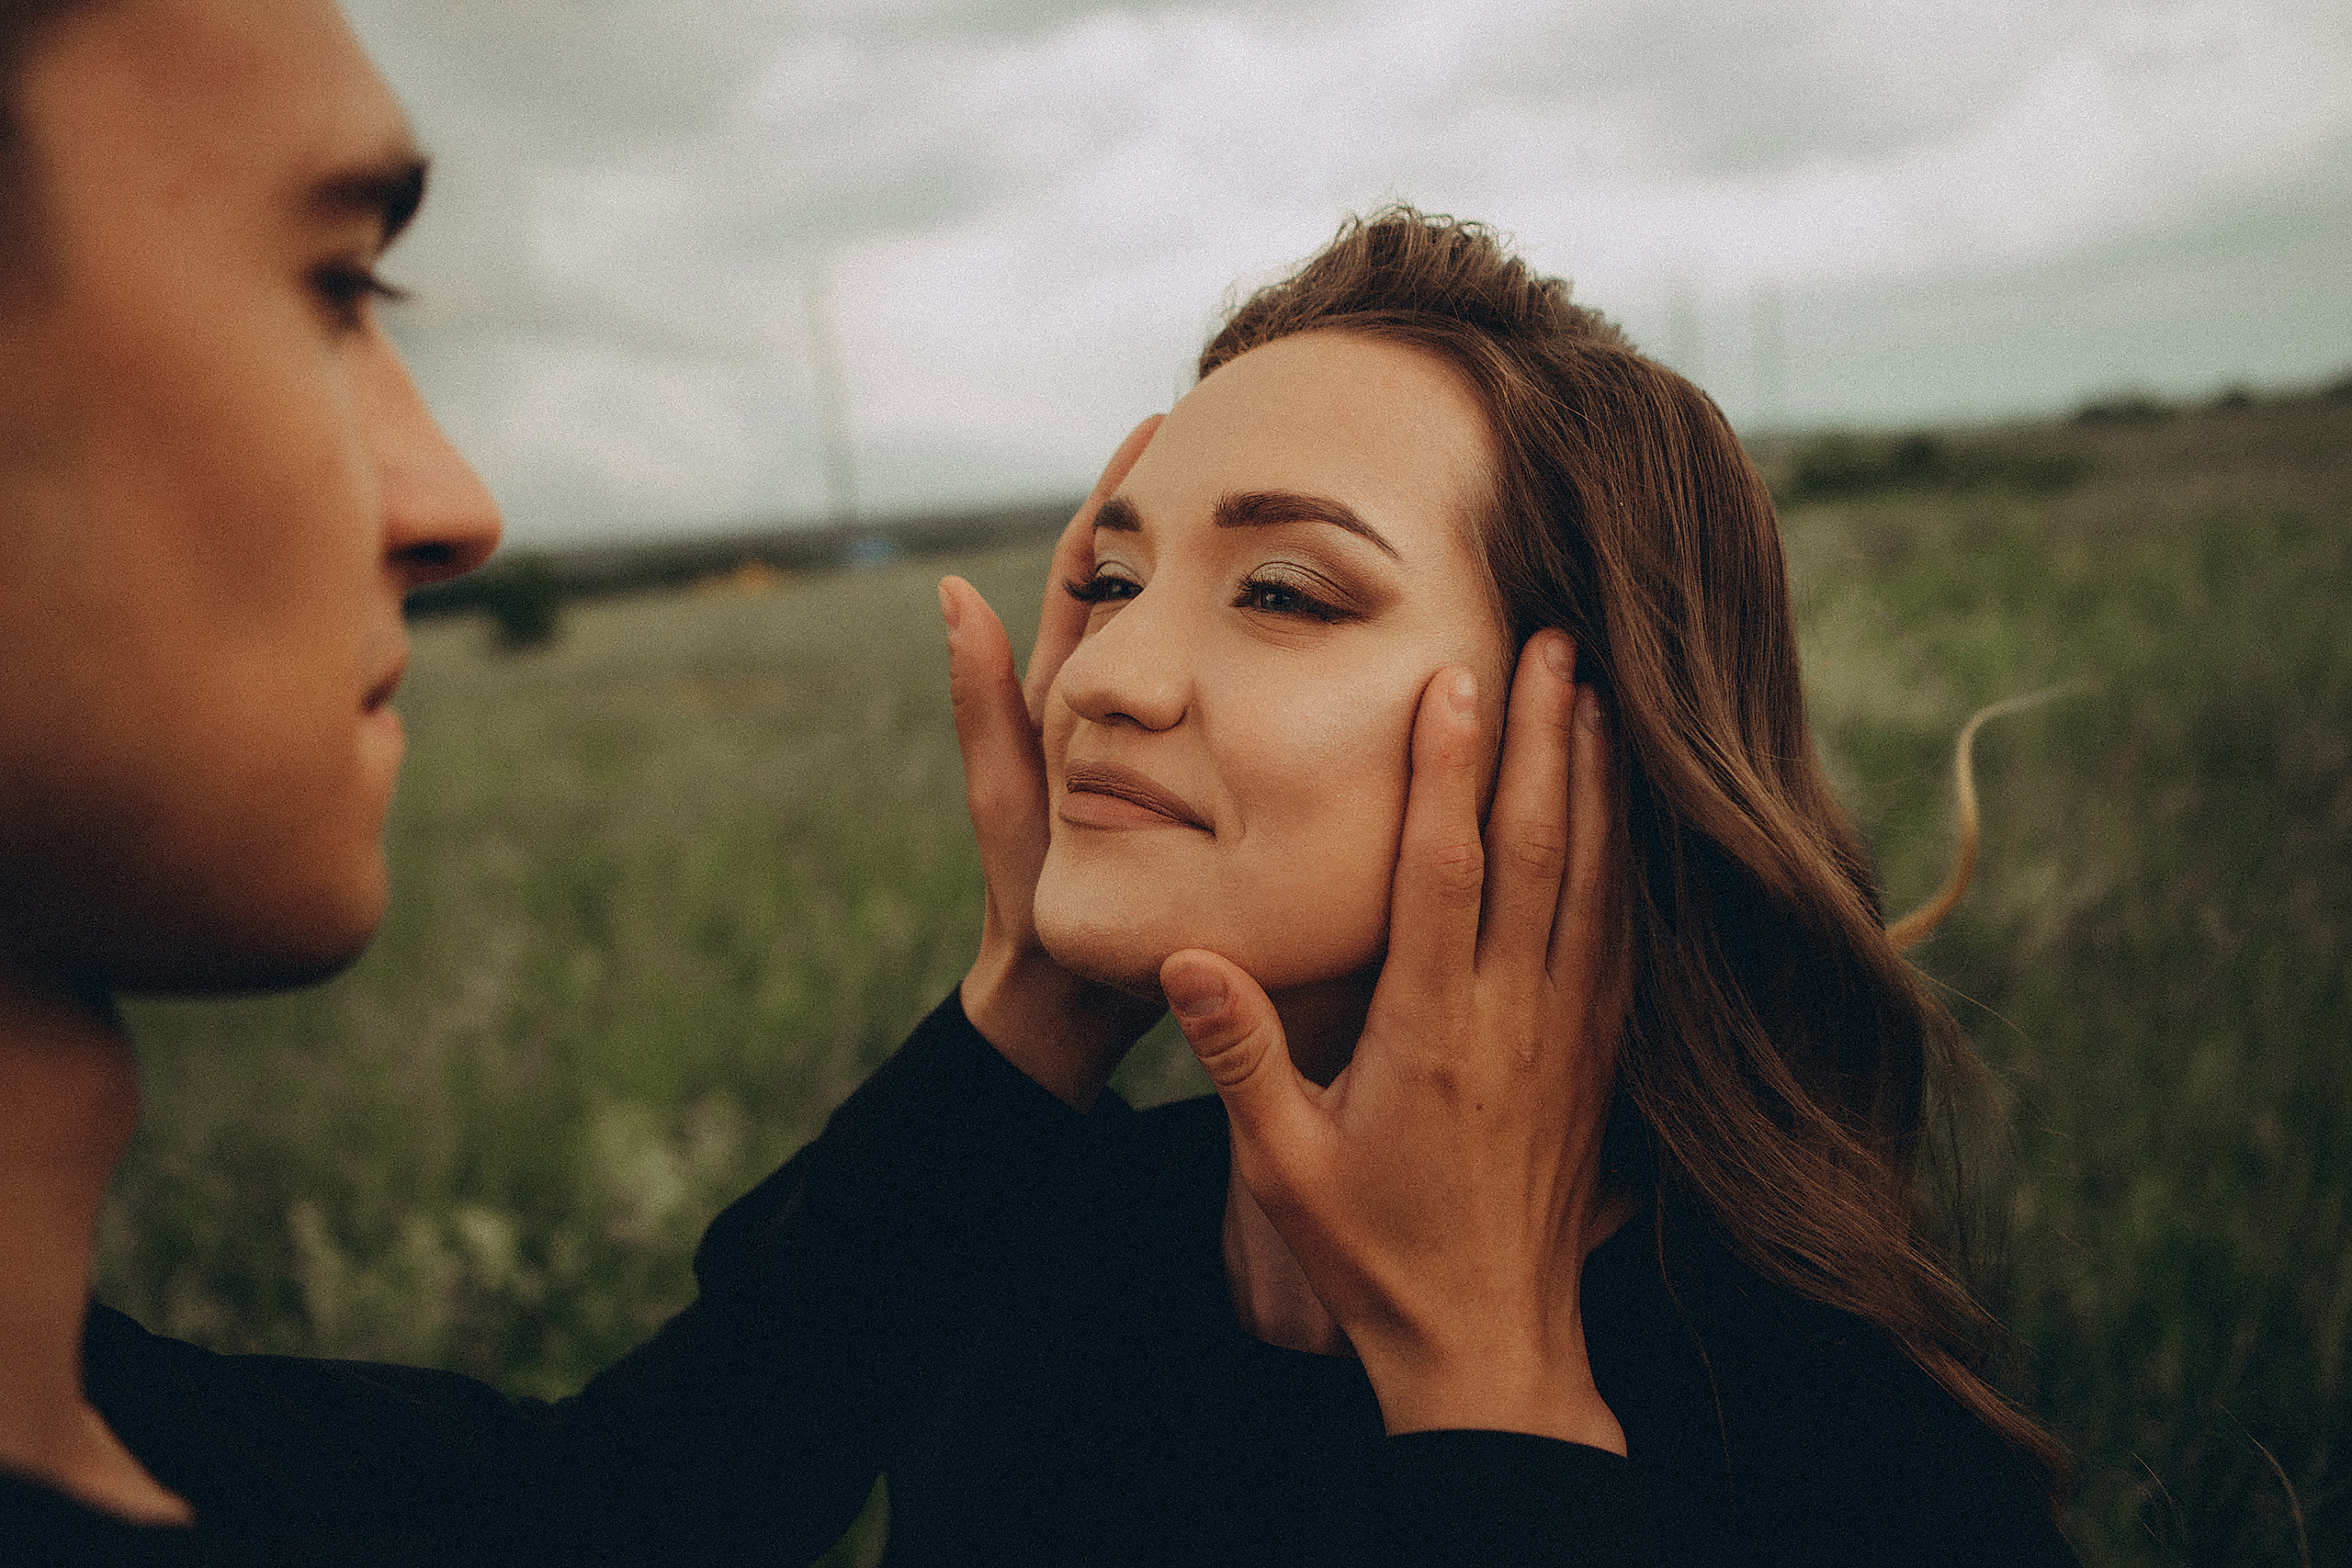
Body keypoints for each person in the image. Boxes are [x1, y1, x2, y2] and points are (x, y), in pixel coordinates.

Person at [0, 3, 1624, 1563]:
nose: (459, 506)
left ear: (1596, 716)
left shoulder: (1821, 1402)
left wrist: (1039, 1004)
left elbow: (616, 1517)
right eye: (339, 285)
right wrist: (1505, 1439)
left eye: (1279, 589)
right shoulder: (1082, 1282)